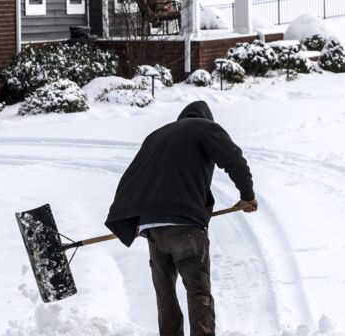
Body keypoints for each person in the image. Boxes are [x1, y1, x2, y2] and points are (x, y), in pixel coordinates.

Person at [105, 101, 257, 336]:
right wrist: (247, 195)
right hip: (185, 225)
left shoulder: (155, 137)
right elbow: (234, 160)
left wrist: (134, 220)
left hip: (152, 228)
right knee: (198, 292)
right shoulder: (206, 128)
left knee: (165, 295)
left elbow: (134, 177)